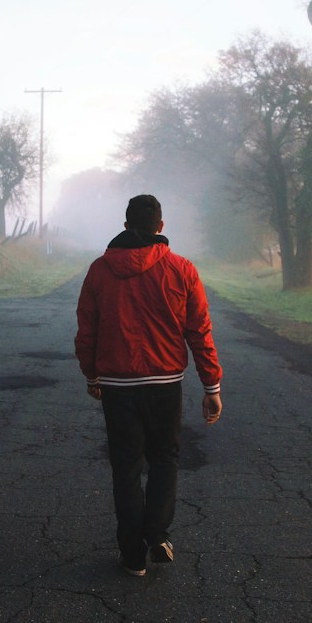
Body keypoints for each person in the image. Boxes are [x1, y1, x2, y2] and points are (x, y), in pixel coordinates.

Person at [74, 194, 223, 576]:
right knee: (164, 459)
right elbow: (199, 331)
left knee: (125, 467)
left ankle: (132, 554)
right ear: (160, 226)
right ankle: (156, 534)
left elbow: (86, 331)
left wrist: (92, 376)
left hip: (116, 384)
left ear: (126, 226)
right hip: (165, 383)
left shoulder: (98, 271)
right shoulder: (182, 269)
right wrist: (212, 386)